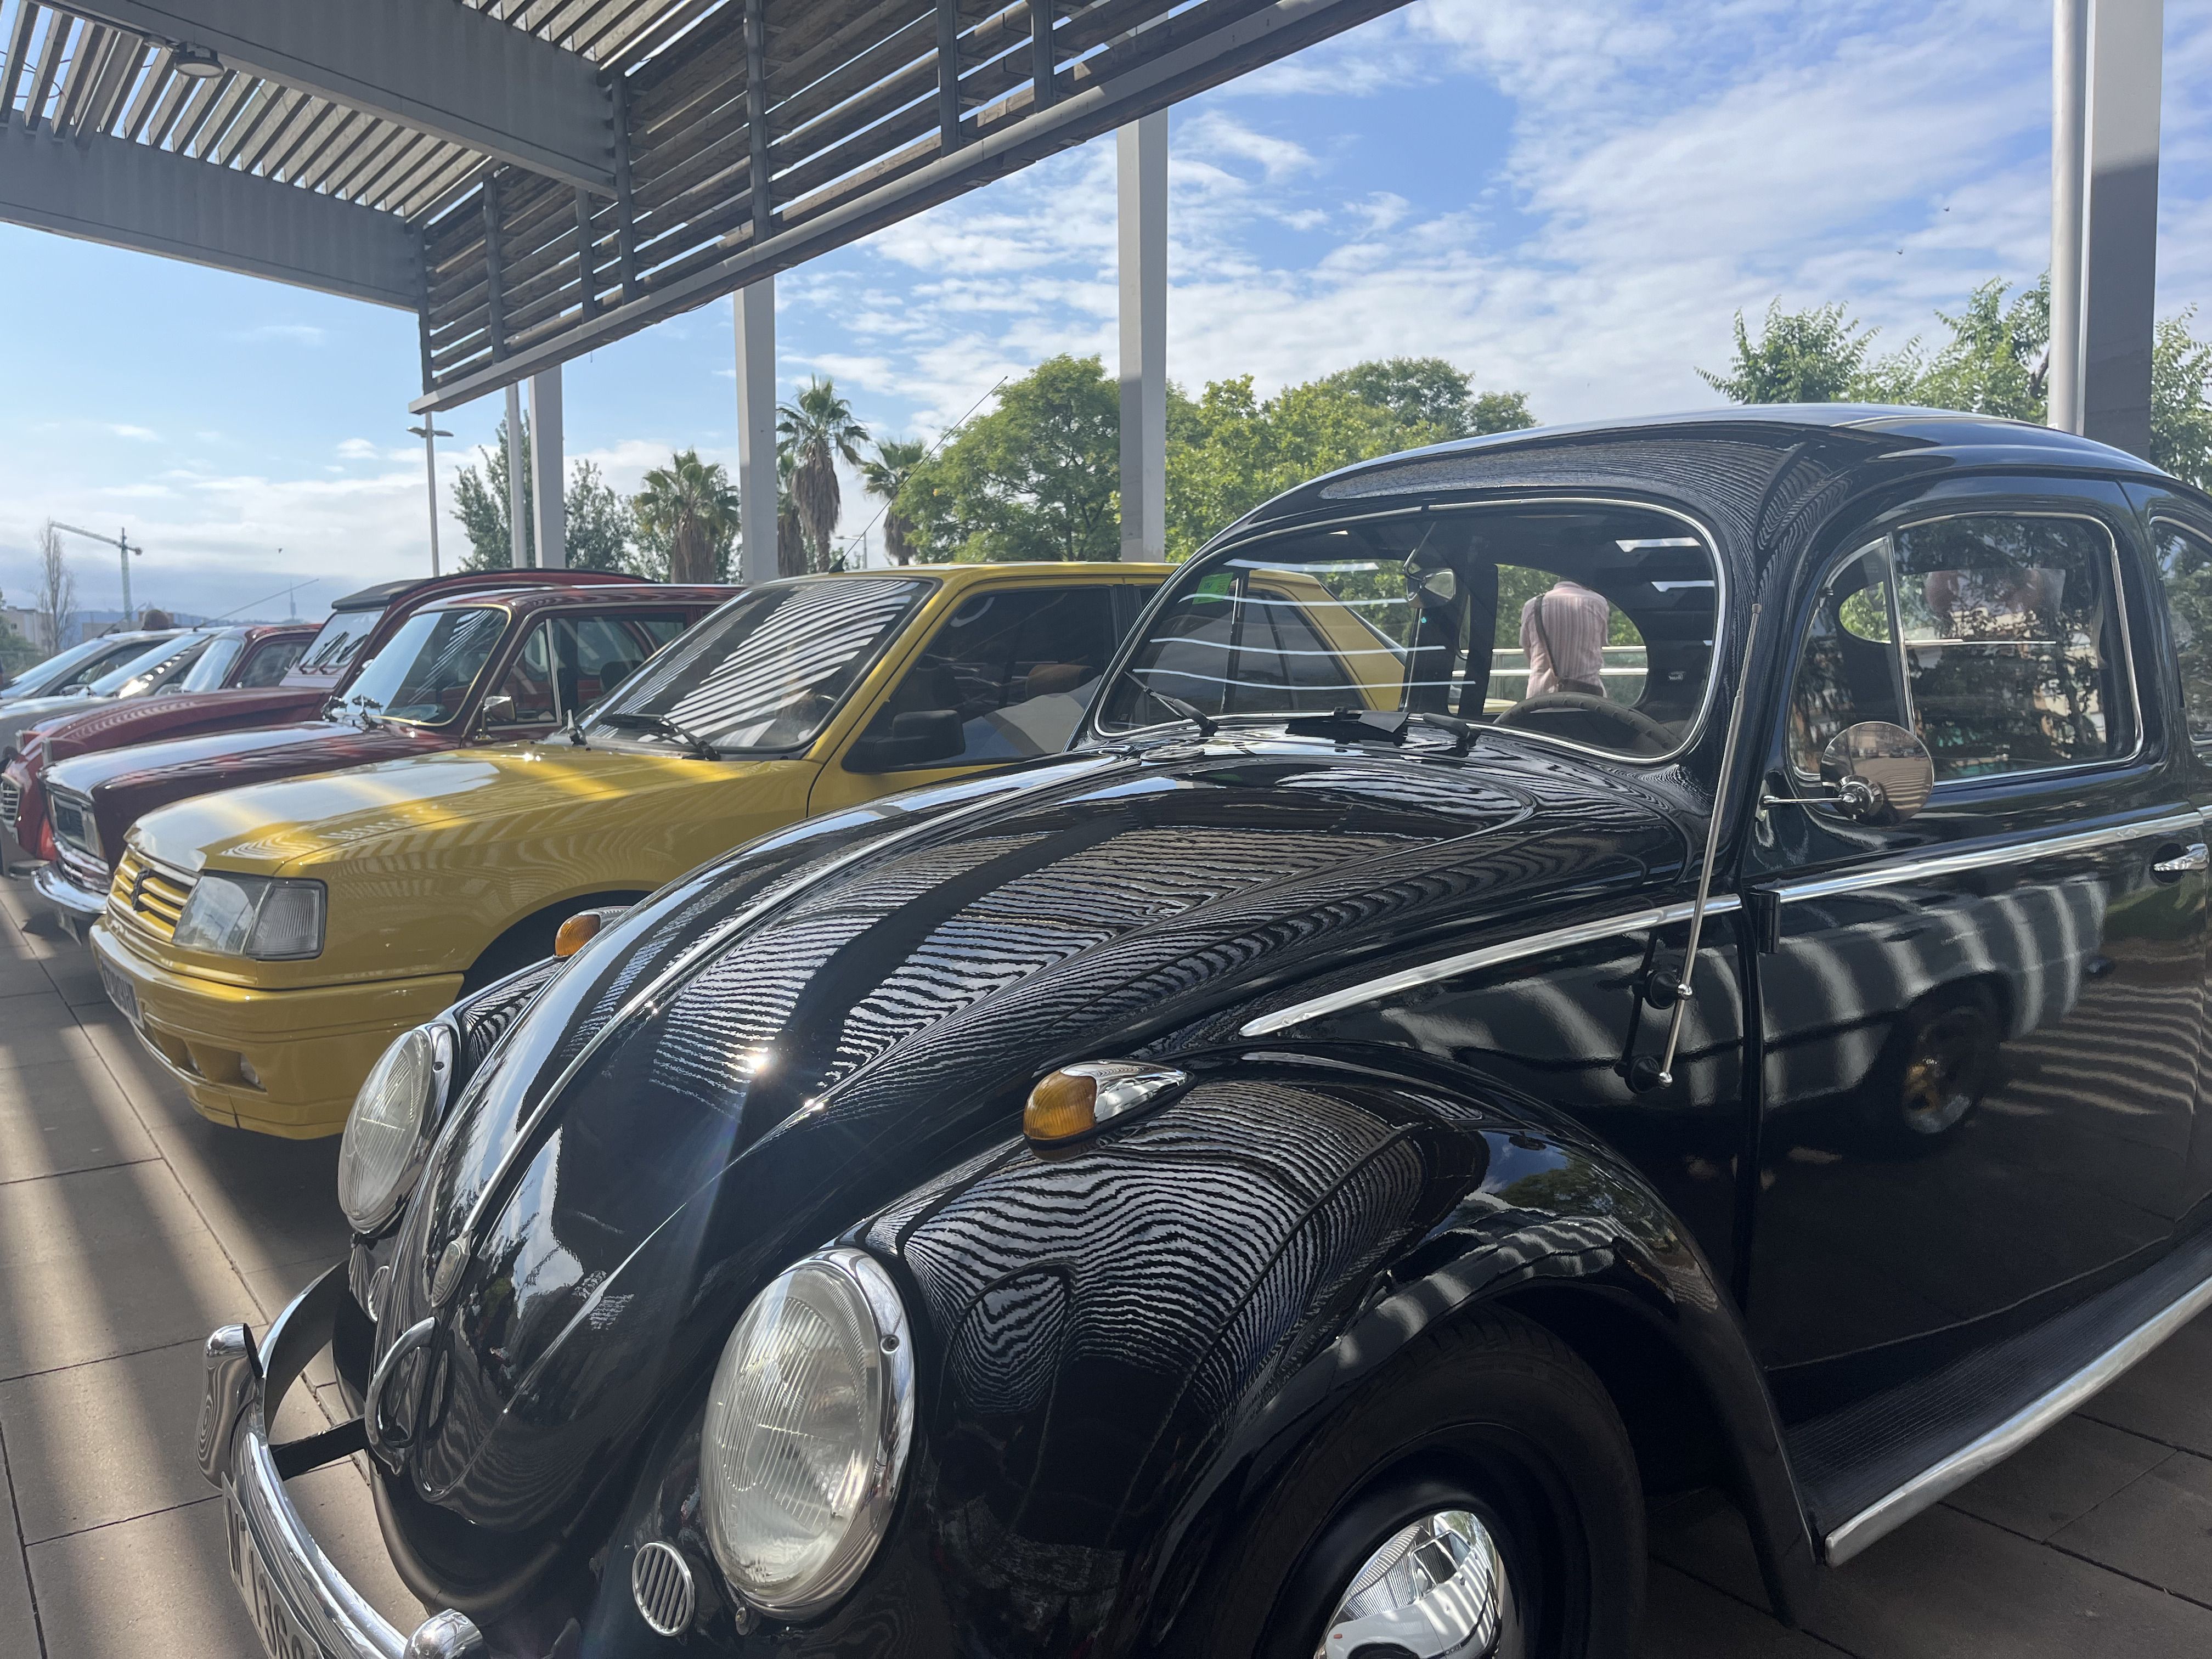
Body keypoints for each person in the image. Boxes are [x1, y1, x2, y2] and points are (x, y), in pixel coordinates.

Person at [1520, 578, 1611, 697]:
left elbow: (1528, 652)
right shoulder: (1598, 603)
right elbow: (1600, 646)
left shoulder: (1532, 605)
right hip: (1587, 697)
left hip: (1540, 698)